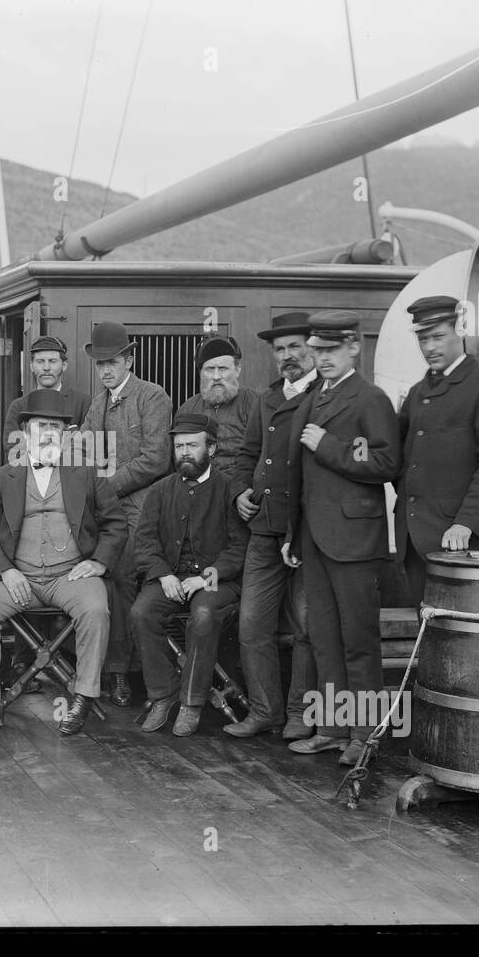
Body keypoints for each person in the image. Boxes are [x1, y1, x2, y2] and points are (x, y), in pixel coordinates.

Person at [0, 389, 127, 738]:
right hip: (17, 577)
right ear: (25, 432)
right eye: (41, 426)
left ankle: (83, 695)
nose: (49, 433)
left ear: (67, 433)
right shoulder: (1, 477)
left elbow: (115, 524)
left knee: (96, 609)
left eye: (56, 426)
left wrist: (99, 562)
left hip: (69, 575)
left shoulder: (87, 473)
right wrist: (5, 571)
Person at [283, 312, 401, 767]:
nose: (322, 358)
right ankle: (332, 730)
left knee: (358, 642)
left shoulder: (370, 398)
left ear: (354, 347)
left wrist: (327, 444)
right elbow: (300, 476)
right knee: (324, 639)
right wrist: (294, 534)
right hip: (315, 539)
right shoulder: (315, 396)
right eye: (317, 350)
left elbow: (387, 461)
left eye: (331, 350)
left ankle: (364, 734)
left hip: (355, 541)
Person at [227, 312, 319, 739]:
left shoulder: (325, 396)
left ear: (312, 349)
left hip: (305, 532)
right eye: (280, 350)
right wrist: (241, 491)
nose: (287, 356)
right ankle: (266, 711)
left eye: (295, 347)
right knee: (251, 625)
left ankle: (301, 712)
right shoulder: (268, 399)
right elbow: (247, 455)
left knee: (305, 626)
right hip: (264, 527)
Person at [394, 295, 479, 604]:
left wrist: (465, 522)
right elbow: (401, 459)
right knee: (429, 632)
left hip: (461, 544)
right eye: (423, 339)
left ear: (461, 330)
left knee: (464, 634)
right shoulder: (417, 393)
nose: (429, 348)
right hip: (414, 542)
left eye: (438, 336)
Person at [131, 414, 247, 736]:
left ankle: (192, 701)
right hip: (170, 577)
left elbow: (239, 547)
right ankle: (162, 693)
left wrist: (206, 576)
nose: (184, 452)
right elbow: (145, 541)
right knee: (142, 612)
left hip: (215, 580)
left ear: (211, 448)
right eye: (179, 445)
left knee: (205, 613)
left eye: (192, 445)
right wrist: (163, 574)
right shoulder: (159, 491)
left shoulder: (228, 489)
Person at [80, 321, 172, 705]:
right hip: (106, 511)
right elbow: (82, 451)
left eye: (113, 361)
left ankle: (130, 675)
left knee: (123, 577)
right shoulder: (96, 404)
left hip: (142, 510)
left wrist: (104, 487)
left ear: (129, 359)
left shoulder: (152, 397)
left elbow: (155, 460)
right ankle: (114, 671)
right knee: (102, 579)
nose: (106, 370)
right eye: (101, 364)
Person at [178, 334, 261, 478]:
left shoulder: (254, 403)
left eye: (223, 368)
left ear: (237, 369)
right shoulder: (188, 409)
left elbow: (266, 456)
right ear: (200, 373)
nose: (216, 376)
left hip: (244, 487)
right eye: (209, 369)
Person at [2, 335, 88, 461]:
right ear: (31, 366)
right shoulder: (19, 406)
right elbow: (13, 450)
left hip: (69, 476)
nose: (46, 367)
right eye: (40, 361)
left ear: (64, 365)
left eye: (52, 361)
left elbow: (87, 448)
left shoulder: (82, 403)